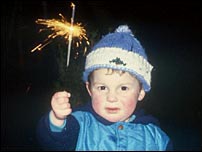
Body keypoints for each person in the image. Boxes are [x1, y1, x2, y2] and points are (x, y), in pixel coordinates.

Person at [36, 25, 173, 150]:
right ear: (90, 89)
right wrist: (57, 119)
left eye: (123, 88)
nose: (111, 98)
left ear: (141, 92)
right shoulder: (79, 125)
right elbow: (53, 142)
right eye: (102, 88)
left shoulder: (155, 137)